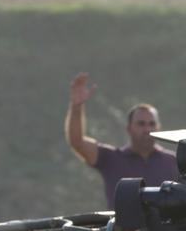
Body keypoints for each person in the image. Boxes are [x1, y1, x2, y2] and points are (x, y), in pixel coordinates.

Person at [65, 73, 177, 208]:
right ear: (129, 128)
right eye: (141, 124)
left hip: (165, 229)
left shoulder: (174, 162)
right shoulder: (111, 159)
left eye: (152, 124)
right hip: (122, 229)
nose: (147, 129)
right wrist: (76, 106)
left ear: (159, 128)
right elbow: (77, 142)